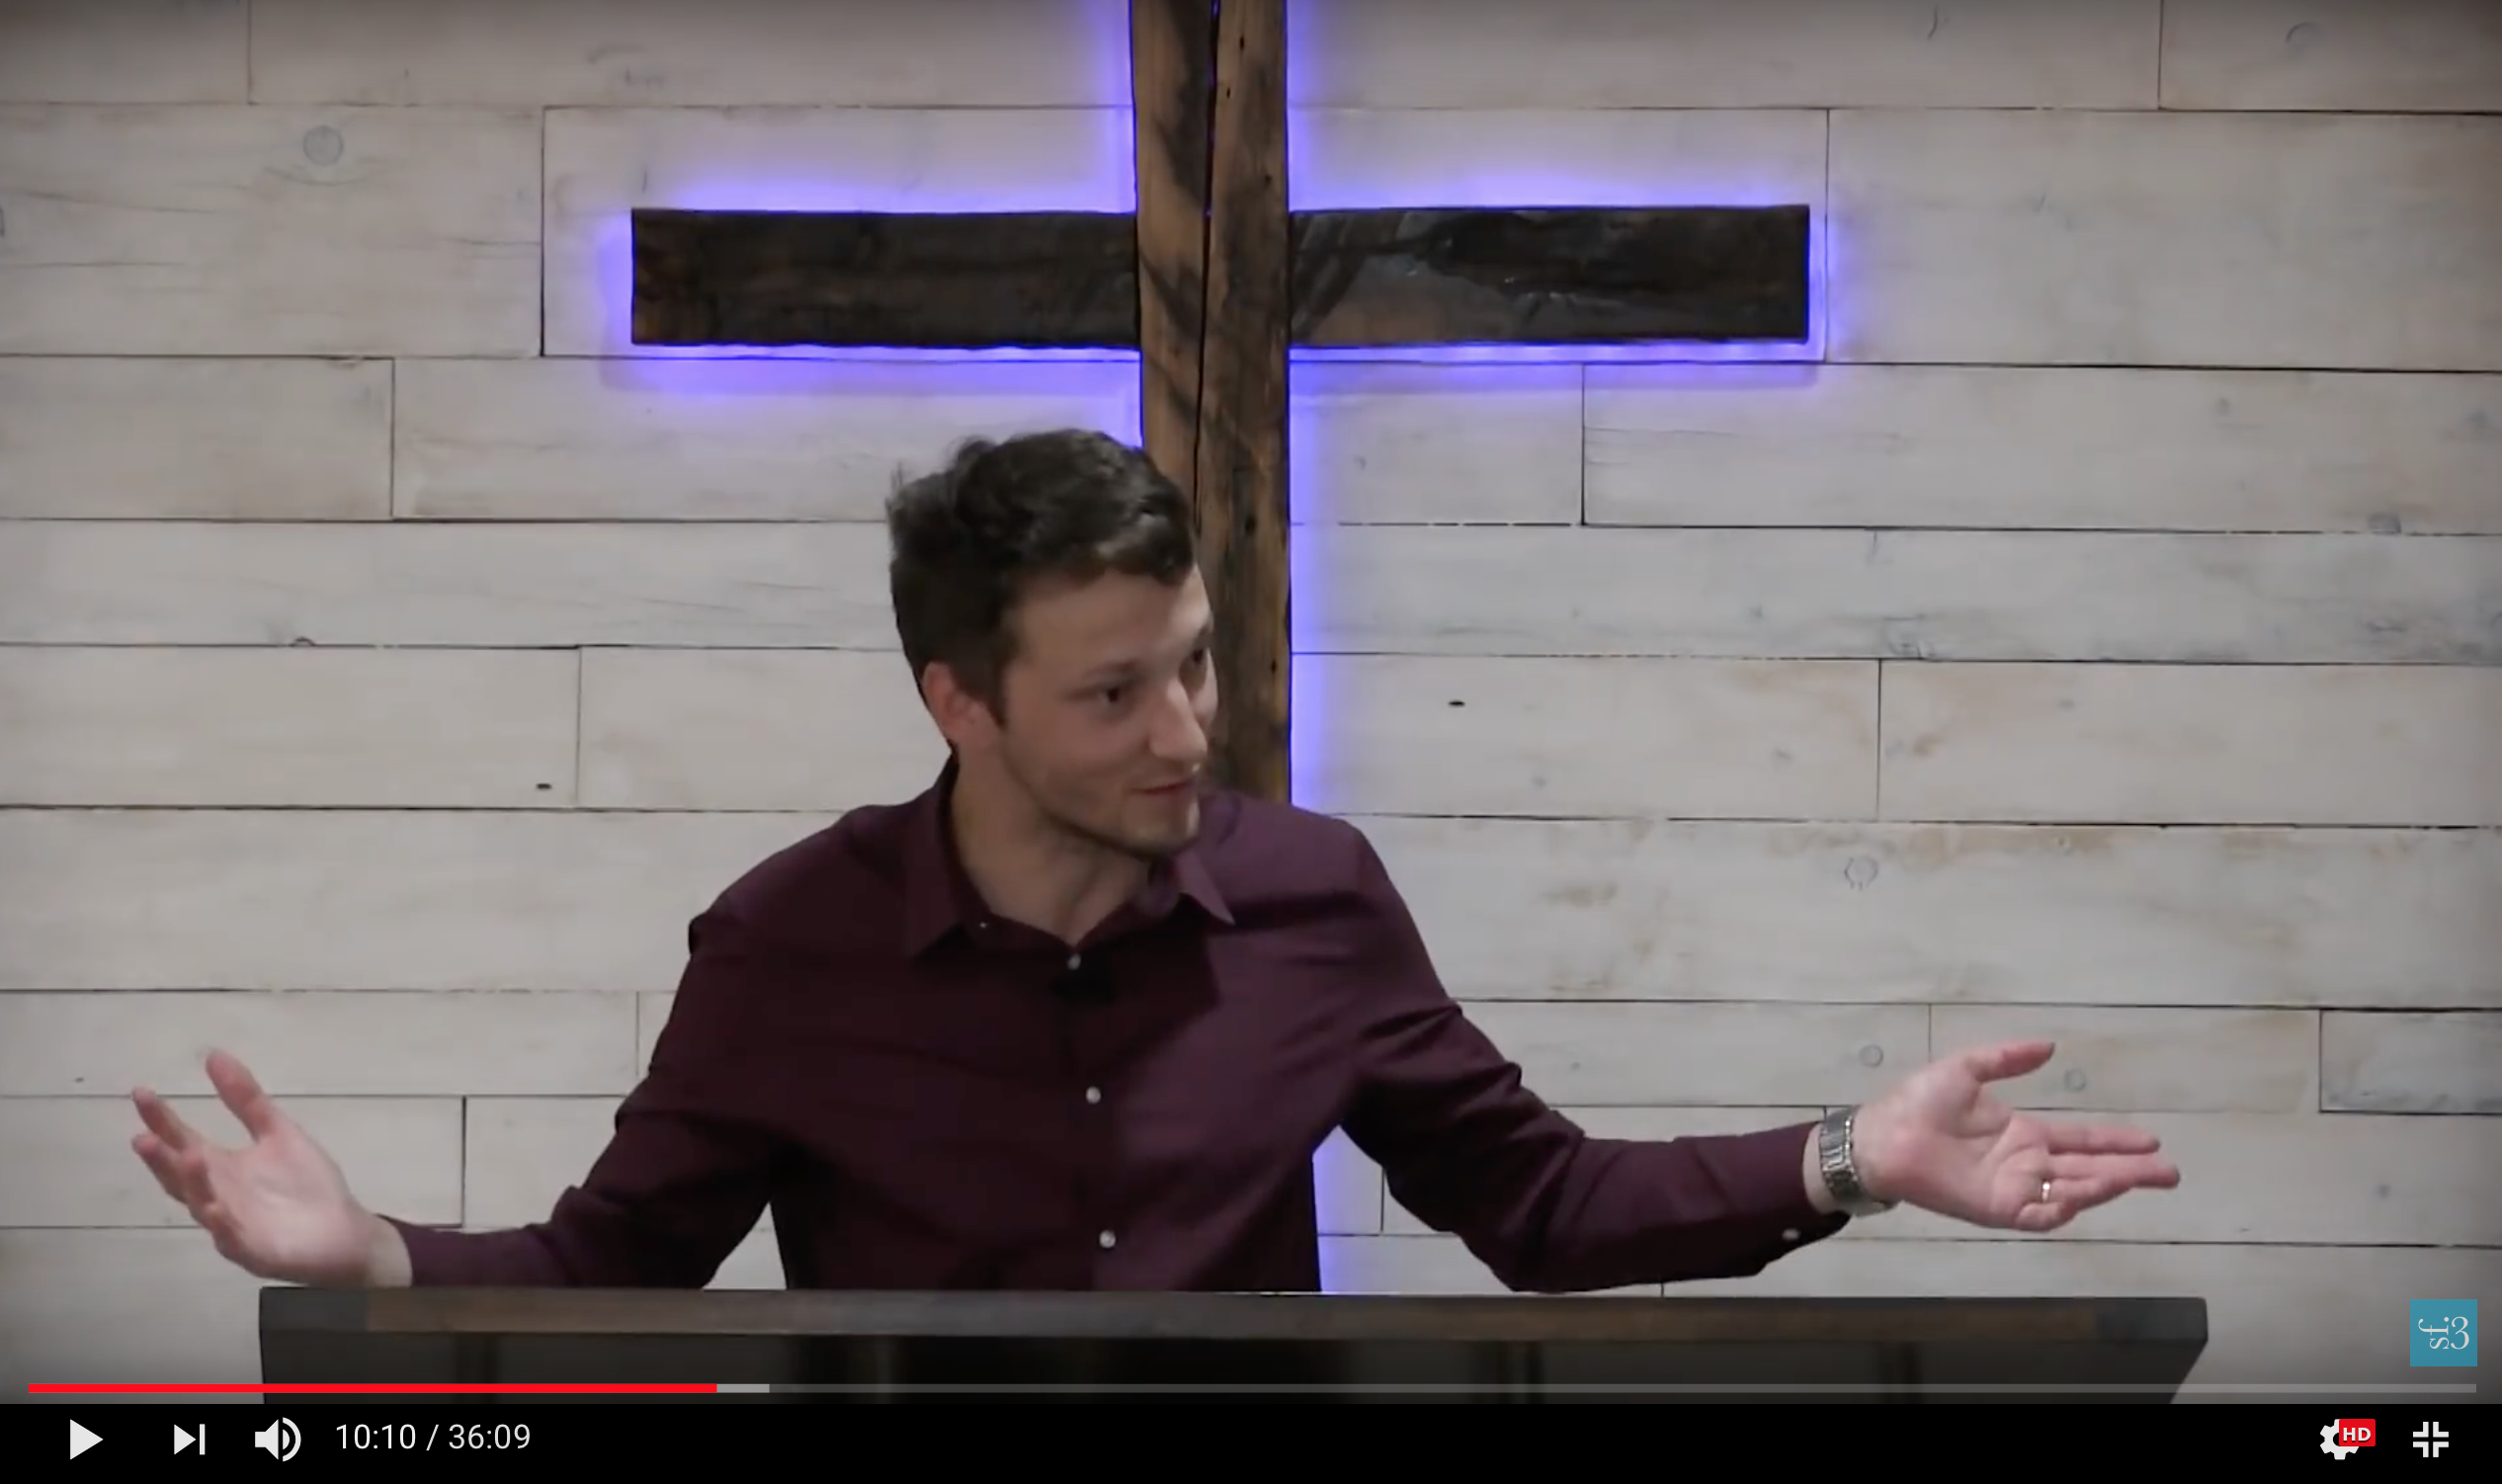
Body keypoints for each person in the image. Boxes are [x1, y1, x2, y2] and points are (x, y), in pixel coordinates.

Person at [129, 429, 2179, 1293]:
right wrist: (372, 1252)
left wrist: (1849, 1154)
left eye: (1193, 664)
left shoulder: (1315, 896)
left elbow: (1540, 1202)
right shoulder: (786, 941)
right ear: (960, 700)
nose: (1188, 732)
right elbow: (611, 1271)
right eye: (1113, 695)